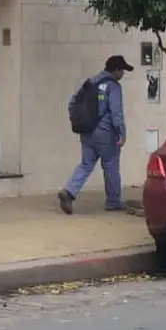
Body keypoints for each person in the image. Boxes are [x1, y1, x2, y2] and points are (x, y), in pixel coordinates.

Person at [57, 55, 133, 214]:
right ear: (116, 70)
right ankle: (113, 201)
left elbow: (72, 102)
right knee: (111, 165)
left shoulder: (90, 82)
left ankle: (69, 192)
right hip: (106, 134)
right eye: (122, 70)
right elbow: (116, 113)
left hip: (87, 131)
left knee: (85, 164)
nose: (123, 74)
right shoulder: (113, 86)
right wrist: (122, 133)